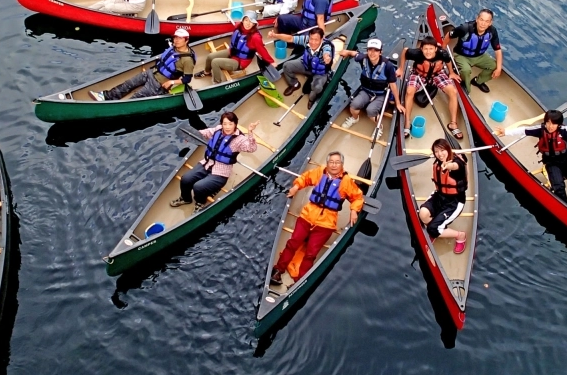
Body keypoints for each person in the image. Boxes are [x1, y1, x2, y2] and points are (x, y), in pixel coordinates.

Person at [270, 152, 365, 285]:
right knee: (293, 243)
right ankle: (278, 270)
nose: (334, 165)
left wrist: (354, 210)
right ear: (327, 163)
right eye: (331, 162)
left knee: (311, 253)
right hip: (307, 215)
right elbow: (305, 178)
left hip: (326, 222)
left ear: (341, 164)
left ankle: (299, 281)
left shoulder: (346, 181)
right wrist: (296, 187)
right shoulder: (320, 172)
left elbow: (357, 197)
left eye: (337, 162)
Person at [496, 109, 567, 215]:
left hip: (566, 159)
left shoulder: (564, 130)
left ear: (559, 124)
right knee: (559, 187)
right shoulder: (540, 129)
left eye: (554, 123)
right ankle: (566, 209)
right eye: (548, 122)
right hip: (552, 163)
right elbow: (523, 130)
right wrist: (506, 132)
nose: (550, 126)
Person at [170, 112, 259, 212]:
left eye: (230, 124)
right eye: (225, 124)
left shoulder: (239, 139)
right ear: (221, 124)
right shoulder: (218, 129)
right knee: (185, 179)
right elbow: (207, 132)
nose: (227, 127)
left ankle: (200, 203)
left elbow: (251, 148)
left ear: (235, 124)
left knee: (198, 187)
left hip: (221, 172)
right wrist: (192, 135)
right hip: (207, 164)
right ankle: (185, 199)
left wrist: (250, 132)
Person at [90, 28, 196, 100]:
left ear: (186, 40)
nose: (176, 40)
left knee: (135, 98)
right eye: (175, 37)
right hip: (151, 73)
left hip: (158, 84)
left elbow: (187, 79)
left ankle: (114, 107)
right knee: (128, 84)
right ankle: (106, 96)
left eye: (180, 38)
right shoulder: (173, 48)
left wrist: (171, 82)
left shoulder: (187, 60)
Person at [397, 35, 464, 139]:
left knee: (453, 92)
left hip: (437, 74)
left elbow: (448, 61)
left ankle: (453, 124)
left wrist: (451, 72)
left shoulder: (443, 54)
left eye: (431, 49)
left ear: (436, 49)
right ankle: (407, 122)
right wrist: (401, 69)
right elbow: (405, 51)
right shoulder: (416, 54)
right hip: (419, 74)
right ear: (421, 49)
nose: (428, 52)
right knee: (410, 92)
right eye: (426, 49)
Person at [337, 38, 405, 133]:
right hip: (366, 91)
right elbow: (354, 54)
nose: (372, 53)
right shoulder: (363, 58)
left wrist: (398, 103)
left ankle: (379, 127)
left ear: (380, 52)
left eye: (376, 50)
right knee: (353, 105)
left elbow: (393, 86)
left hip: (380, 94)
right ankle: (355, 118)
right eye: (370, 50)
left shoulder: (388, 66)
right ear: (367, 51)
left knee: (370, 111)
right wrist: (347, 52)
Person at [194, 9, 275, 83]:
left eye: (251, 22)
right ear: (242, 20)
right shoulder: (238, 26)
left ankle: (217, 82)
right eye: (246, 20)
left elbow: (262, 50)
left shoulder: (255, 37)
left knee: (215, 62)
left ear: (254, 24)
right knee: (210, 57)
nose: (248, 23)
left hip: (240, 62)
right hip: (232, 52)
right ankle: (207, 72)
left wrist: (271, 62)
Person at [418, 139, 469, 254]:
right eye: (436, 151)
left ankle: (460, 235)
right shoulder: (437, 161)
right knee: (423, 214)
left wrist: (448, 165)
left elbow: (455, 165)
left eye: (442, 150)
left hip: (454, 202)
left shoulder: (457, 164)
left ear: (448, 150)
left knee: (432, 228)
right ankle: (437, 230)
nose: (440, 154)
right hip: (439, 196)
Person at [269, 26, 334, 106]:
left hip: (319, 73)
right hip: (306, 65)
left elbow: (327, 52)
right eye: (311, 39)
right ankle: (294, 84)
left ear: (321, 39)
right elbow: (290, 38)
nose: (313, 42)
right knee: (286, 66)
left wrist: (327, 57)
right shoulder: (306, 40)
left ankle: (311, 100)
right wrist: (275, 35)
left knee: (317, 88)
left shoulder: (326, 46)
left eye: (316, 40)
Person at [445, 8, 503, 94]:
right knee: (466, 70)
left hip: (480, 56)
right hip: (461, 55)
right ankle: (465, 86)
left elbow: (498, 50)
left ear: (490, 23)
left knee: (494, 66)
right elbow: (449, 35)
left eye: (487, 21)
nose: (483, 24)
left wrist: (499, 68)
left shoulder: (492, 31)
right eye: (481, 20)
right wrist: (442, 50)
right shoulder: (465, 28)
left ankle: (477, 81)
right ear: (477, 19)